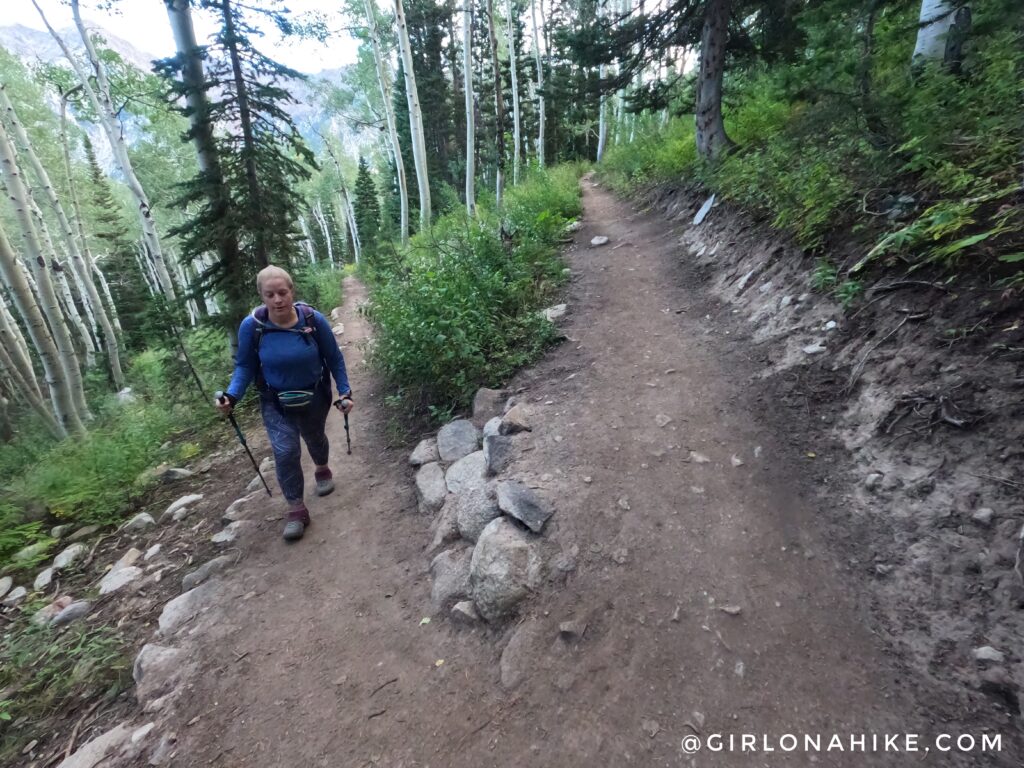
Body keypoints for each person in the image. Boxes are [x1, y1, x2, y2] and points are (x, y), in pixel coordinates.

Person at [216, 265, 353, 541]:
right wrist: (231, 396)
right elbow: (244, 366)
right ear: (262, 297)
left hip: (315, 395)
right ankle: (296, 508)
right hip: (274, 400)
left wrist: (345, 391)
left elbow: (334, 359)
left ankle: (322, 467)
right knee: (285, 451)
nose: (277, 299)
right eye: (270, 294)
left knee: (315, 438)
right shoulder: (252, 327)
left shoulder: (314, 320)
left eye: (282, 292)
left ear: (292, 292)